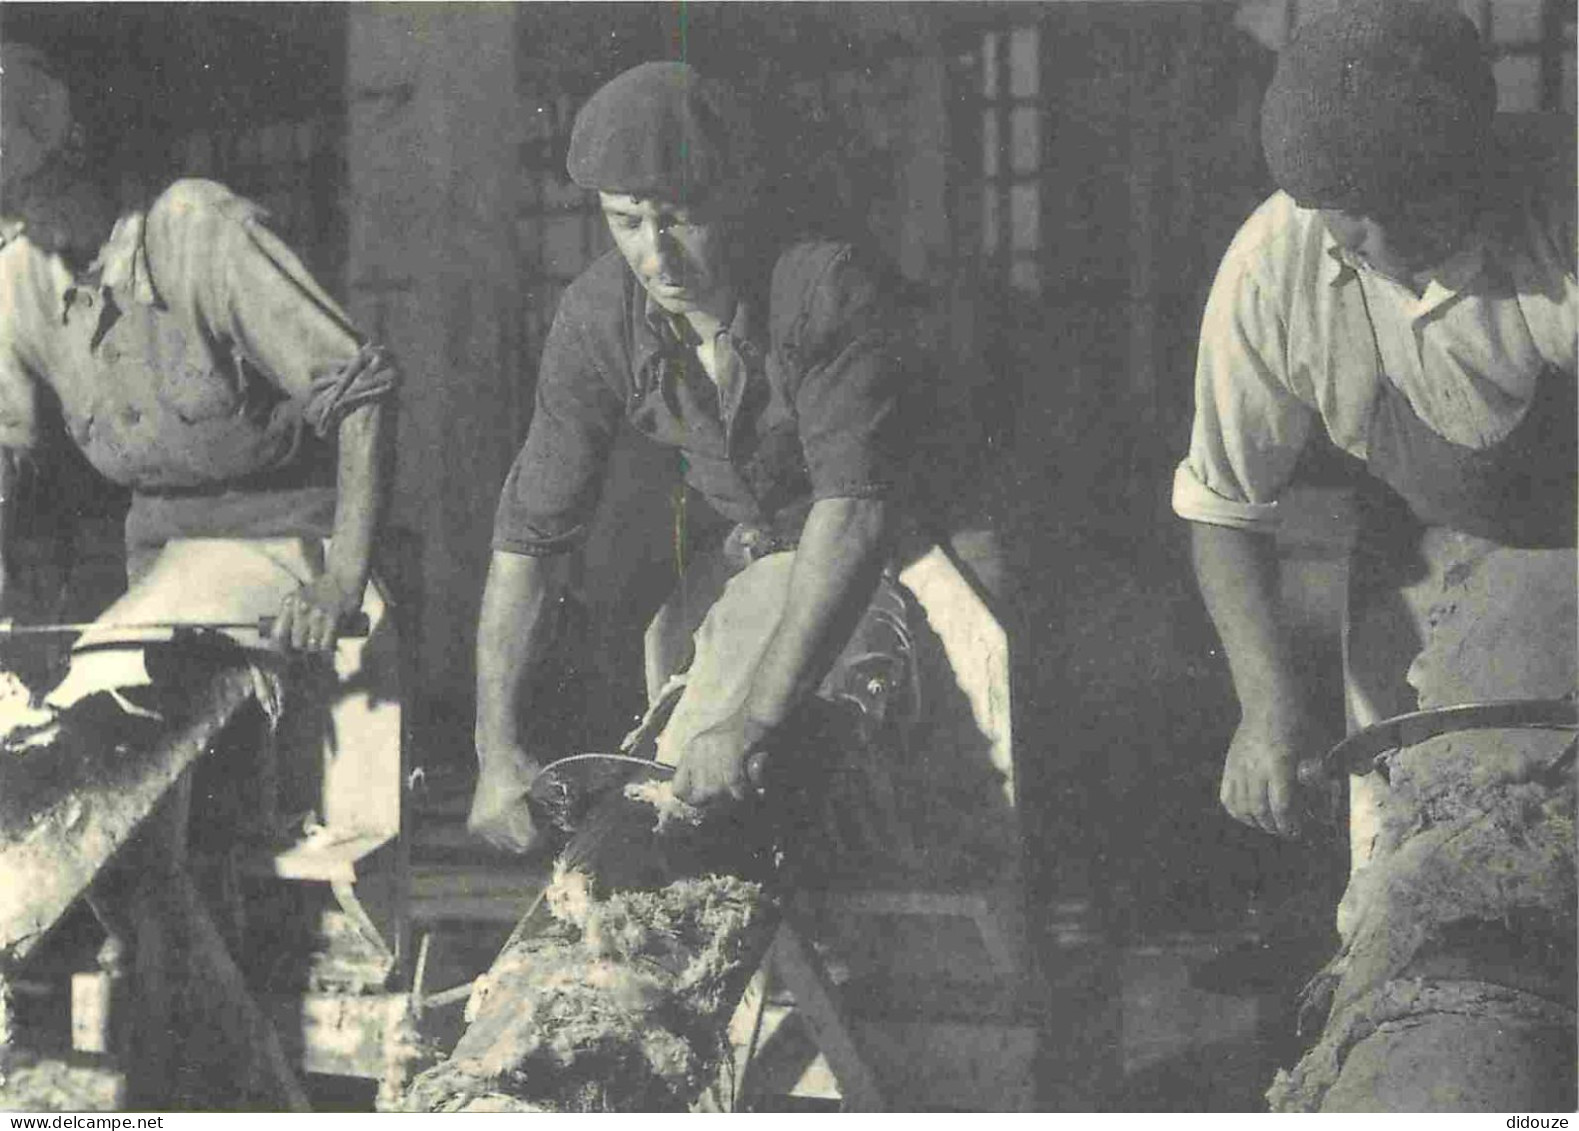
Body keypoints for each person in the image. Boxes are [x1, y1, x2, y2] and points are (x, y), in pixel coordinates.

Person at [1174, 0, 1575, 1110]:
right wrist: (1264, 709)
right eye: (1325, 211)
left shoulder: (1563, 212)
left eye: (1370, 212)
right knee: (1416, 894)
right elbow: (1220, 505)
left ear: (1457, 179)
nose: (1339, 235)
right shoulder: (1278, 259)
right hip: (1418, 575)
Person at [469, 61, 910, 853]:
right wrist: (493, 751)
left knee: (942, 811)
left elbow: (854, 514)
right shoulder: (597, 317)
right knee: (685, 765)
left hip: (909, 551)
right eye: (625, 222)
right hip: (768, 558)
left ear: (733, 197)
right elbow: (527, 543)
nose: (655, 257)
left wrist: (755, 718)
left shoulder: (821, 284)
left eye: (677, 219)